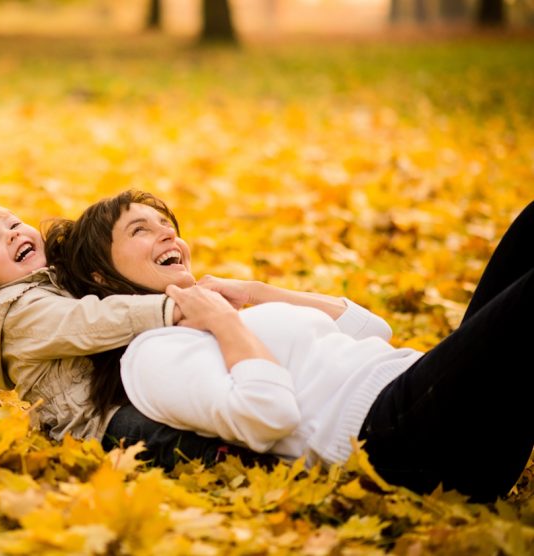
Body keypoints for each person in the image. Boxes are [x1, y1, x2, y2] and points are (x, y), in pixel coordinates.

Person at [45, 189, 534, 502]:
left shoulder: (227, 311)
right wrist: (222, 322)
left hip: (423, 389)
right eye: (140, 229)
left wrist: (257, 294)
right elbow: (265, 415)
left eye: (165, 223)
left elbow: (373, 331)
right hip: (407, 439)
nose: (167, 232)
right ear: (100, 275)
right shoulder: (150, 356)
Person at [0, 205, 261, 469]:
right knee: (151, 434)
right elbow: (91, 321)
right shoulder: (19, 314)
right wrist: (171, 308)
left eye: (14, 224)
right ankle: (226, 461)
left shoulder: (51, 281)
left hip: (122, 388)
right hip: (93, 422)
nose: (11, 236)